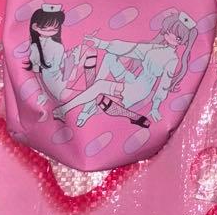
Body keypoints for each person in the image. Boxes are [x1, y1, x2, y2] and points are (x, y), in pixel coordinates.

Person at [54, 11, 199, 129]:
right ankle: (88, 106)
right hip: (134, 81)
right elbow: (130, 48)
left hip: (139, 89)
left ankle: (69, 109)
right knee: (110, 56)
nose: (166, 33)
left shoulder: (172, 59)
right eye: (167, 30)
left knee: (99, 86)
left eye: (171, 32)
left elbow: (164, 84)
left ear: (179, 40)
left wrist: (155, 107)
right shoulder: (156, 48)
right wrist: (100, 43)